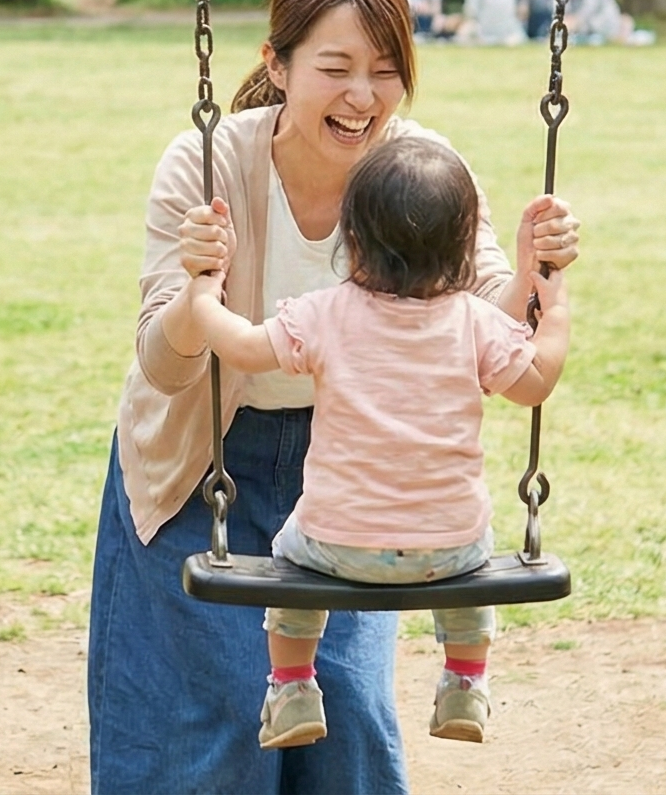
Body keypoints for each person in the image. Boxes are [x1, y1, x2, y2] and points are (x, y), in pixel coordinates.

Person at [90, 0, 579, 794]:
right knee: (213, 726)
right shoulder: (210, 164)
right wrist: (197, 286)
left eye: (386, 71)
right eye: (336, 68)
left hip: (360, 474)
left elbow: (481, 312)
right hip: (205, 463)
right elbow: (165, 369)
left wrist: (536, 270)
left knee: (348, 714)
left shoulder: (422, 169)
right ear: (277, 65)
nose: (363, 97)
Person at [183, 138, 572, 749]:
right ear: (463, 247)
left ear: (353, 239)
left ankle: (292, 687)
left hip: (335, 545)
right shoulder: (474, 321)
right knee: (476, 549)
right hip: (451, 549)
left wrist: (205, 294)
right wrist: (557, 310)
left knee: (289, 554)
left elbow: (242, 347)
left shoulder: (325, 314)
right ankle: (464, 681)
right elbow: (535, 384)